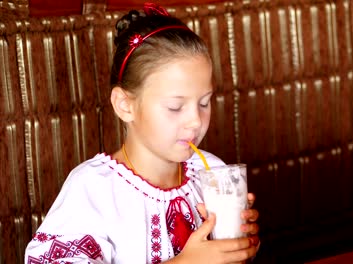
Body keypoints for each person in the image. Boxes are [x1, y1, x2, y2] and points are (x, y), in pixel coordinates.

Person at [24, 3, 260, 263]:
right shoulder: (95, 189)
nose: (195, 121)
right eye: (175, 106)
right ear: (125, 106)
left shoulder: (212, 174)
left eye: (204, 102)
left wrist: (240, 247)